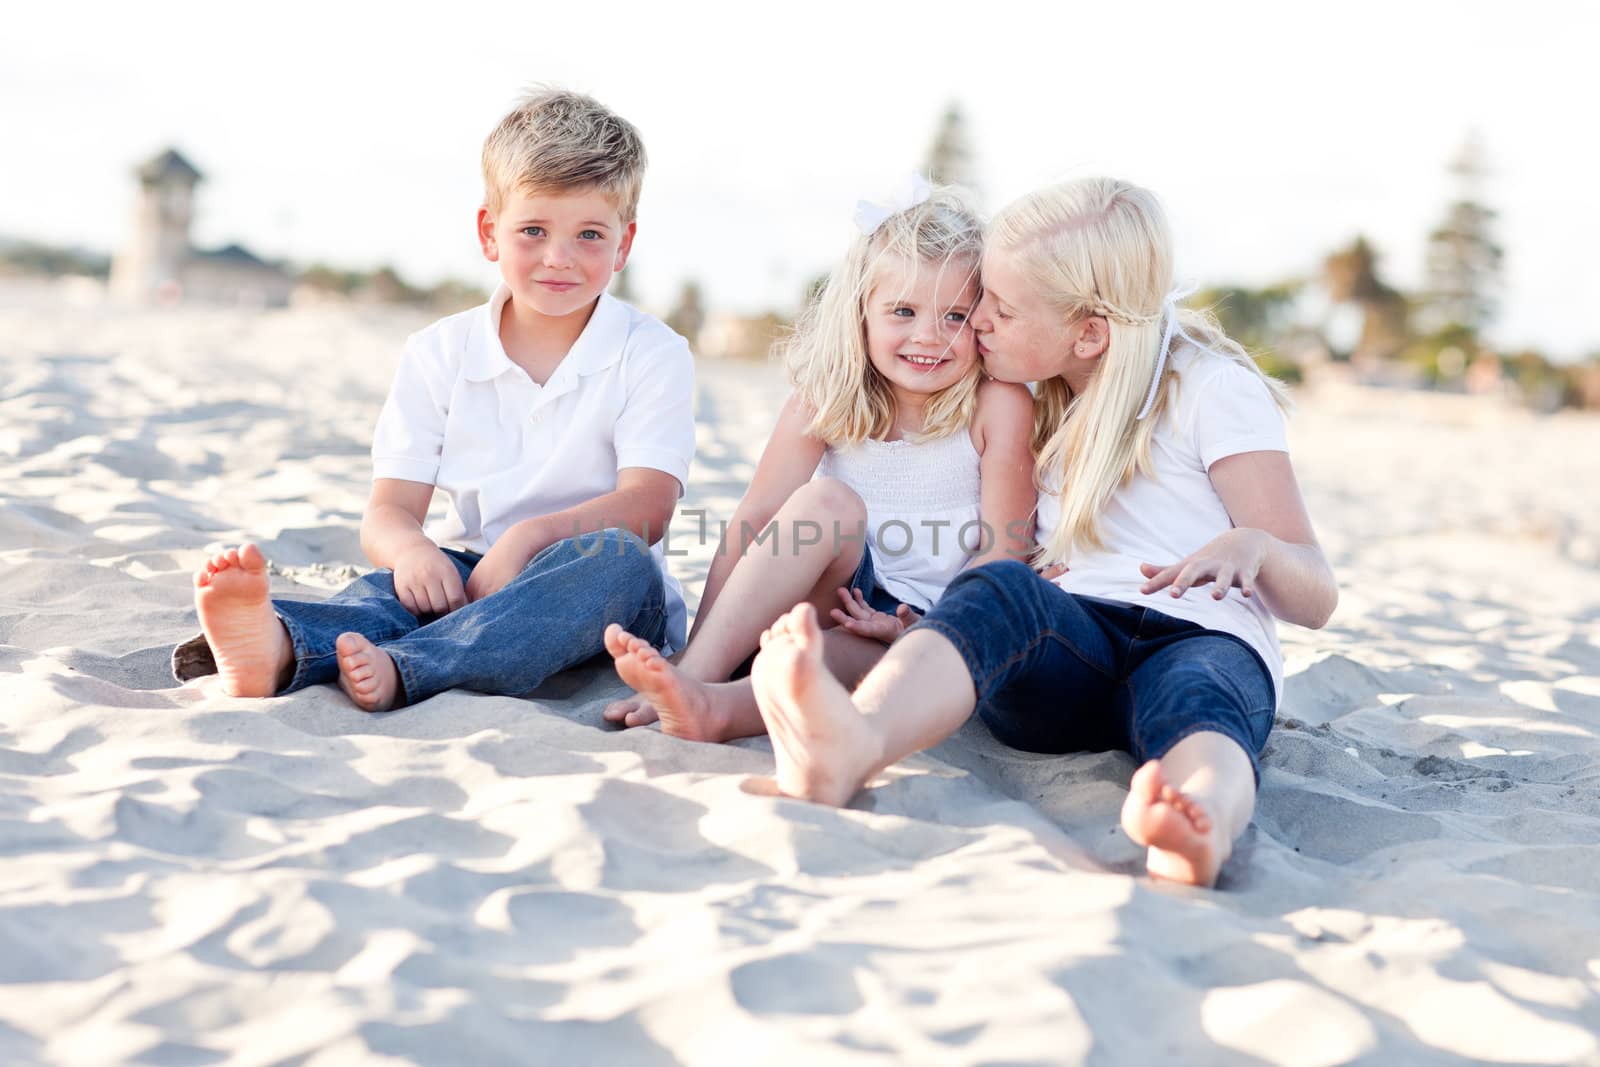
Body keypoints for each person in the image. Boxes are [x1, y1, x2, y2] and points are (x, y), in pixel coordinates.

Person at [748, 177, 1337, 888]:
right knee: (999, 587)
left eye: (998, 306)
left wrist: (1260, 548)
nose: (977, 323)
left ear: (1088, 332)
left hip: (1200, 630)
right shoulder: (1031, 392)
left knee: (1204, 701)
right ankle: (852, 740)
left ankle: (1195, 825)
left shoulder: (1209, 389)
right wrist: (915, 628)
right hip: (1071, 640)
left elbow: (1317, 596)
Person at [171, 88, 695, 712]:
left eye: (589, 234)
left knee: (621, 561)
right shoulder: (439, 352)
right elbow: (388, 513)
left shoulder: (651, 351)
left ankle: (408, 666)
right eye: (533, 230)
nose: (559, 257)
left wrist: (527, 539)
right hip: (468, 571)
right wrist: (416, 552)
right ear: (489, 232)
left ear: (623, 245)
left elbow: (648, 507)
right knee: (386, 591)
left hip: (594, 591)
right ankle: (278, 647)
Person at [602, 183, 1035, 743]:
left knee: (823, 667)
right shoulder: (825, 395)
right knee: (826, 504)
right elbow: (757, 518)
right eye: (902, 311)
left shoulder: (997, 405)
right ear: (862, 312)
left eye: (955, 316)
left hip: (923, 626)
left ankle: (715, 706)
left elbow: (1005, 547)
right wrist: (705, 643)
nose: (928, 336)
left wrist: (926, 631)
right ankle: (697, 675)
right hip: (827, 593)